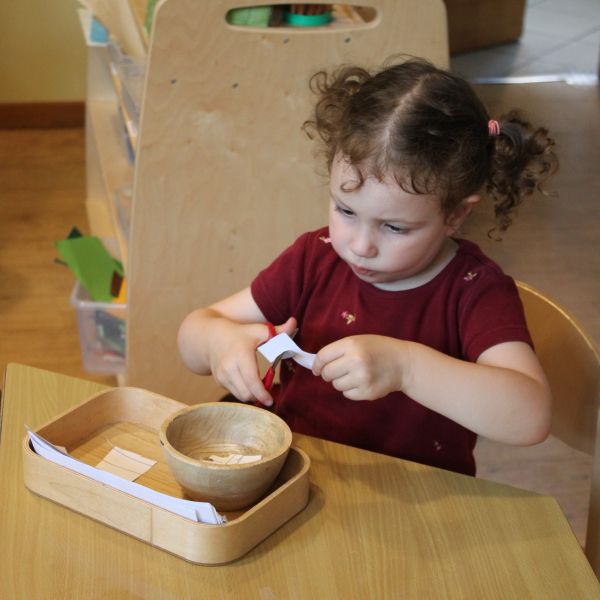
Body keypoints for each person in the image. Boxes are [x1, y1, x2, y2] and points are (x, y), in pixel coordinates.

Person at [178, 57, 558, 476]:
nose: (360, 246)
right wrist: (218, 341)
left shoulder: (473, 289)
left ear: (455, 215)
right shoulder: (314, 258)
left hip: (416, 497)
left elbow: (530, 417)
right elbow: (193, 334)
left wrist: (406, 368)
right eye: (345, 210)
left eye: (394, 227)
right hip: (301, 476)